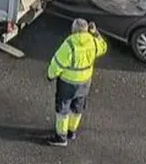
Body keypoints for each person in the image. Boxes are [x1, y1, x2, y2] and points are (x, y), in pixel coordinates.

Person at [45, 18, 108, 146]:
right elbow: (103, 47)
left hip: (67, 84)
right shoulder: (93, 42)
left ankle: (61, 137)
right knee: (77, 108)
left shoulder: (69, 45)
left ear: (73, 30)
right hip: (85, 82)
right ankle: (71, 131)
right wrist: (95, 33)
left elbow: (57, 64)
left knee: (63, 110)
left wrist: (50, 75)